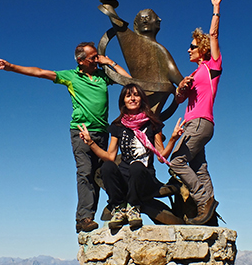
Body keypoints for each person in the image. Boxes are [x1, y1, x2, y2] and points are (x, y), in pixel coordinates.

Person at [0, 42, 131, 233]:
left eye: (97, 57)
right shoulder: (71, 76)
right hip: (81, 132)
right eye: (93, 58)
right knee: (85, 172)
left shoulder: (102, 75)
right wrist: (11, 67)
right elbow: (40, 72)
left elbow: (129, 81)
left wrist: (109, 62)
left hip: (102, 132)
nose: (96, 60)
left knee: (101, 173)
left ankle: (112, 210)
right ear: (81, 61)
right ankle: (84, 218)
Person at [78, 83, 185, 230]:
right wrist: (90, 142)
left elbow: (161, 156)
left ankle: (134, 207)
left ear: (141, 99)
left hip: (144, 178)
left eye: (136, 95)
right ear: (123, 101)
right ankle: (118, 207)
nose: (132, 98)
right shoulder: (118, 126)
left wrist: (173, 138)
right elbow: (110, 156)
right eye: (128, 96)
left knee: (136, 166)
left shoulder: (152, 124)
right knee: (107, 166)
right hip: (124, 178)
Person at [170, 0, 228, 225]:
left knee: (176, 162)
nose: (188, 50)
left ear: (202, 49)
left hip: (202, 122)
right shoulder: (192, 74)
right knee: (199, 166)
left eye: (192, 46)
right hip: (191, 124)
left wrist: (216, 9)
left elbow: (213, 34)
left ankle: (204, 200)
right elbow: (179, 101)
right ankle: (208, 212)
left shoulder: (212, 66)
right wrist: (181, 88)